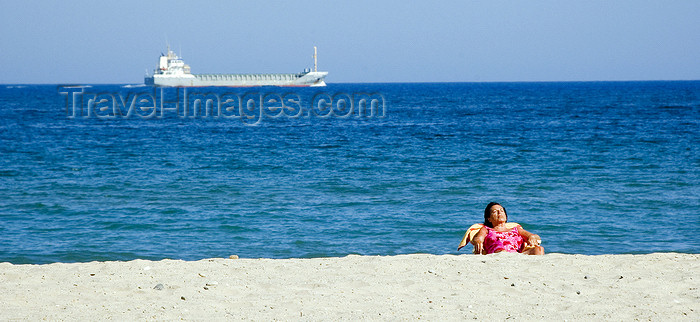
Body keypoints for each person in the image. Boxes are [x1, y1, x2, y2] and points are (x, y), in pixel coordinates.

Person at [470, 202, 544, 255]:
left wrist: (532, 237)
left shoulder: (516, 229)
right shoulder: (487, 229)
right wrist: (478, 241)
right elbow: (479, 238)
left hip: (516, 256)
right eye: (495, 211)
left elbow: (533, 236)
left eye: (502, 211)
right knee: (502, 251)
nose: (499, 212)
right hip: (497, 254)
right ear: (489, 218)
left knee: (539, 249)